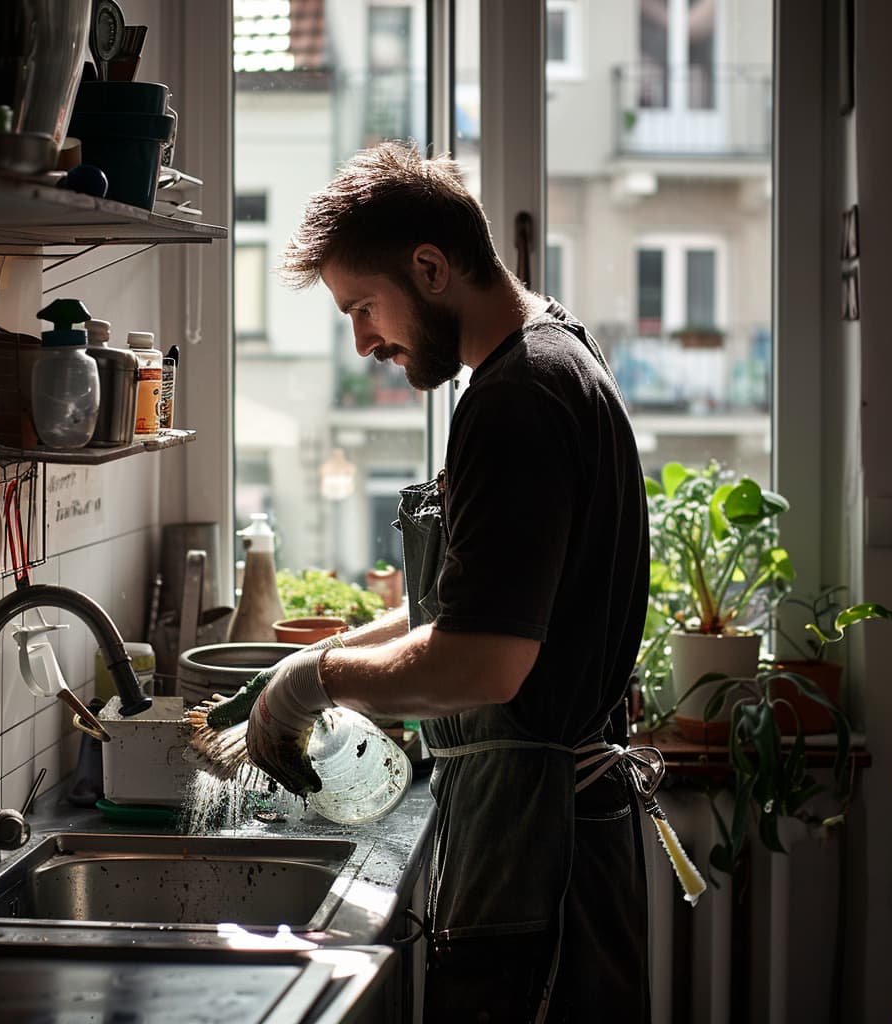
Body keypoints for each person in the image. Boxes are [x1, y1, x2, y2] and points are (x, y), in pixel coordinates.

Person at [246, 140, 653, 1023]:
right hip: (549, 838)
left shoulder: (518, 400)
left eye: (364, 307)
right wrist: (319, 661)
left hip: (541, 857)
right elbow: (470, 607)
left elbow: (483, 661)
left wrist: (314, 681)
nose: (364, 342)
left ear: (431, 267)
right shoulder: (557, 356)